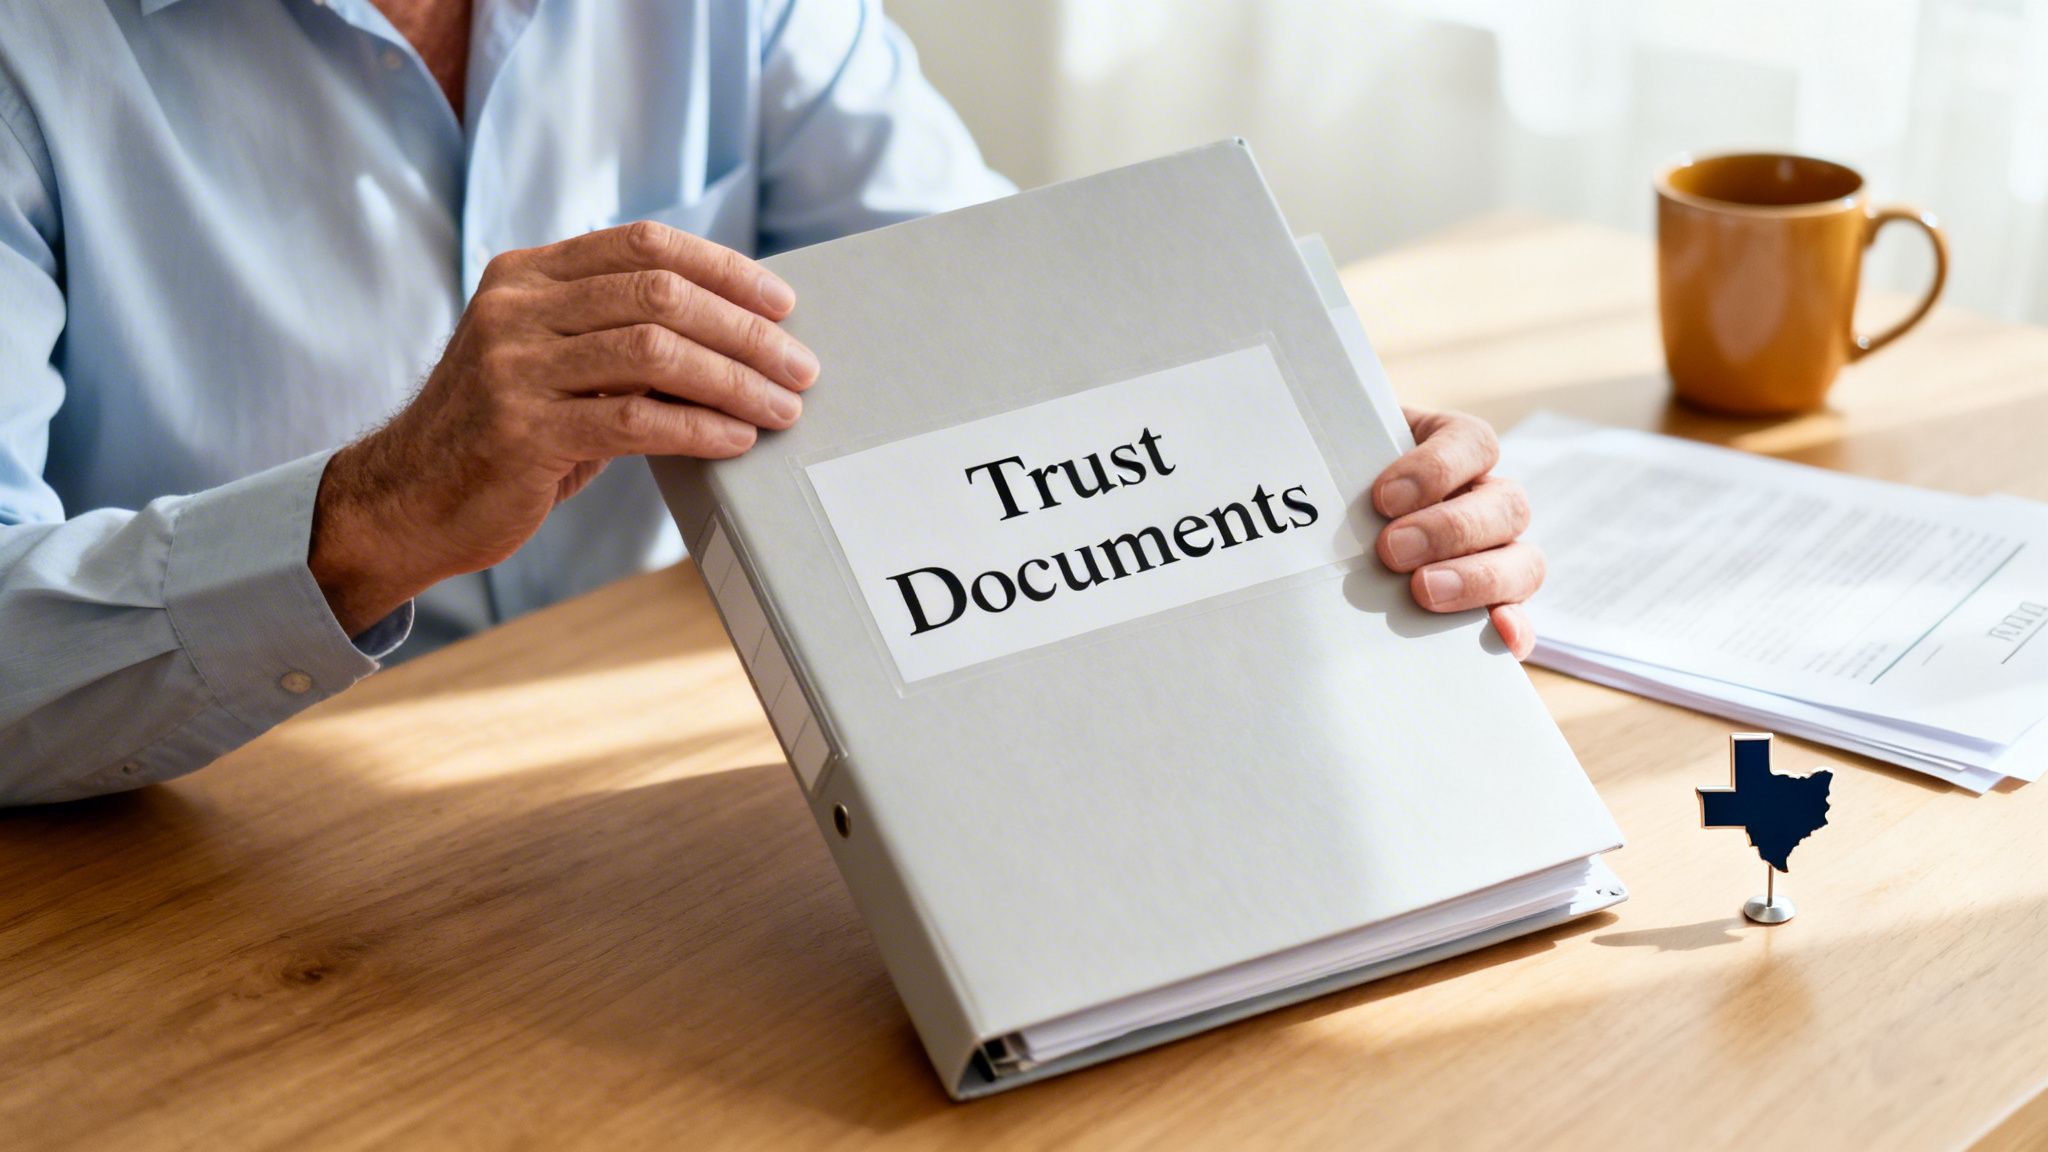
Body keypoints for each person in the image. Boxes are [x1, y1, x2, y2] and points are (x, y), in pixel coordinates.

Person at [0, 1, 1544, 805]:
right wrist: (372, 517)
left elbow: (994, 315)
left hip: (642, 780)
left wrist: (1322, 471)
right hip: (184, 858)